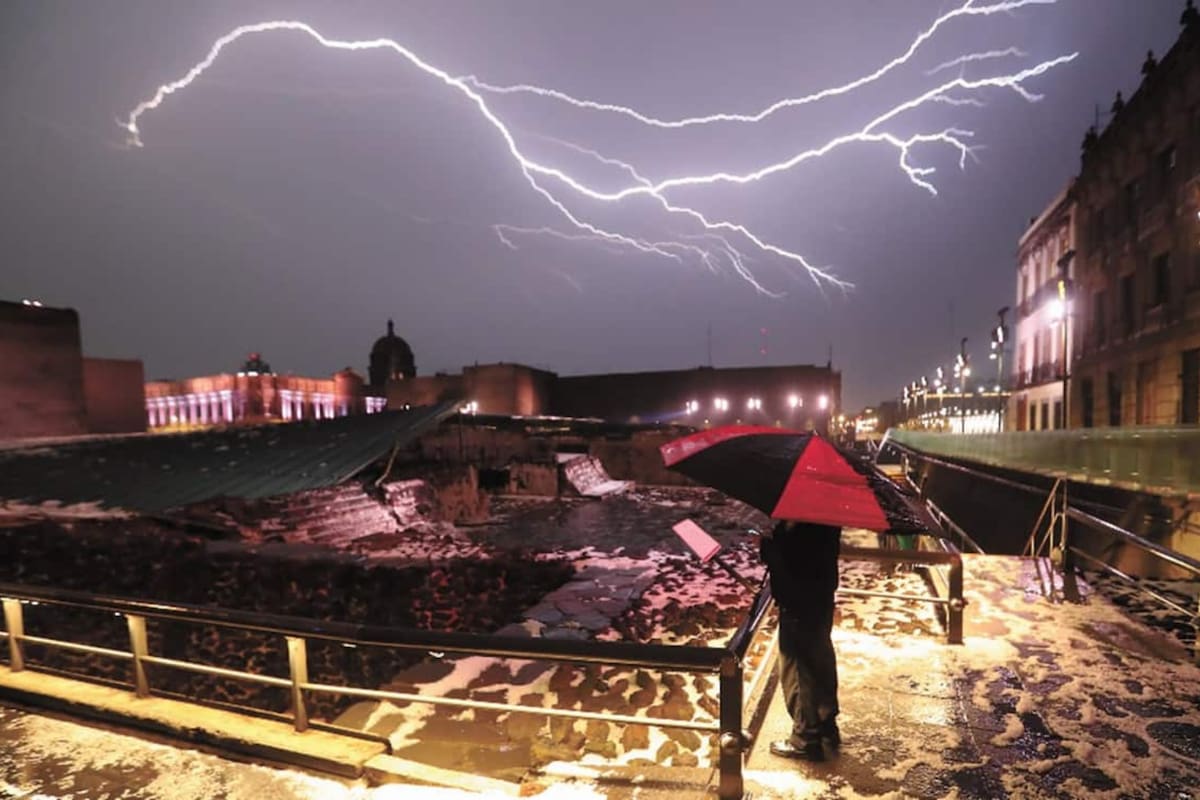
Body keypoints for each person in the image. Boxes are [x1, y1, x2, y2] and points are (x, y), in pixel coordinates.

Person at [760, 519, 841, 762]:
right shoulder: (827, 516)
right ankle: (825, 722)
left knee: (798, 667)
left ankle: (805, 738)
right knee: (820, 656)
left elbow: (793, 559)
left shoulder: (804, 521)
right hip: (820, 594)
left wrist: (768, 546)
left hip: (798, 599)